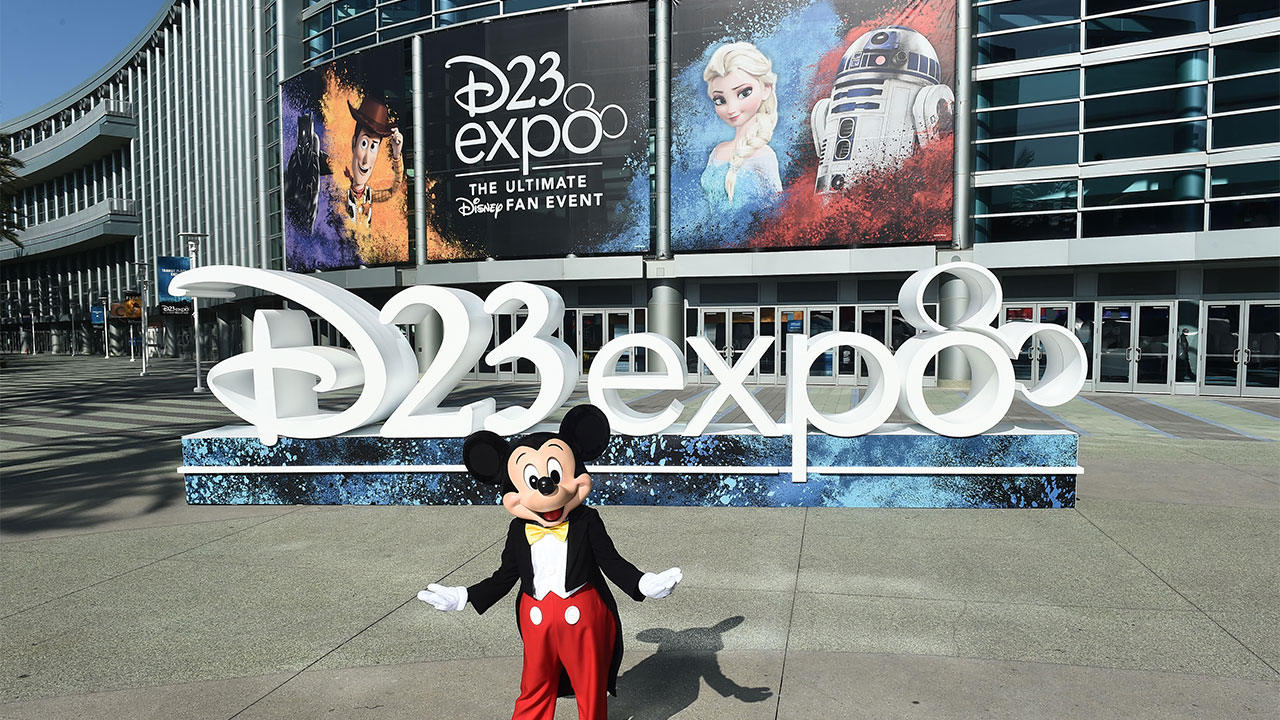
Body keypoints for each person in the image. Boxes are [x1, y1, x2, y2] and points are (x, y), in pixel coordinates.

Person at [419, 406, 682, 720]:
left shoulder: (587, 521)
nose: (546, 487)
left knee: (589, 687)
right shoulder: (519, 530)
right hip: (536, 620)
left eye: (556, 476)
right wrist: (464, 596)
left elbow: (611, 562)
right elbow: (505, 576)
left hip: (582, 617)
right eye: (531, 481)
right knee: (535, 687)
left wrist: (642, 583)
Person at [701, 42, 782, 210]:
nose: (731, 109)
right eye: (720, 100)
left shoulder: (764, 155)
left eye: (744, 93)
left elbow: (777, 209)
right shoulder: (717, 152)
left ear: (766, 89)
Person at [343, 95, 404, 225]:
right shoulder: (340, 193)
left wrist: (397, 154)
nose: (366, 160)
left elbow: (393, 190)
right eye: (363, 144)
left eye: (373, 147)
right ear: (354, 143)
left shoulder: (370, 194)